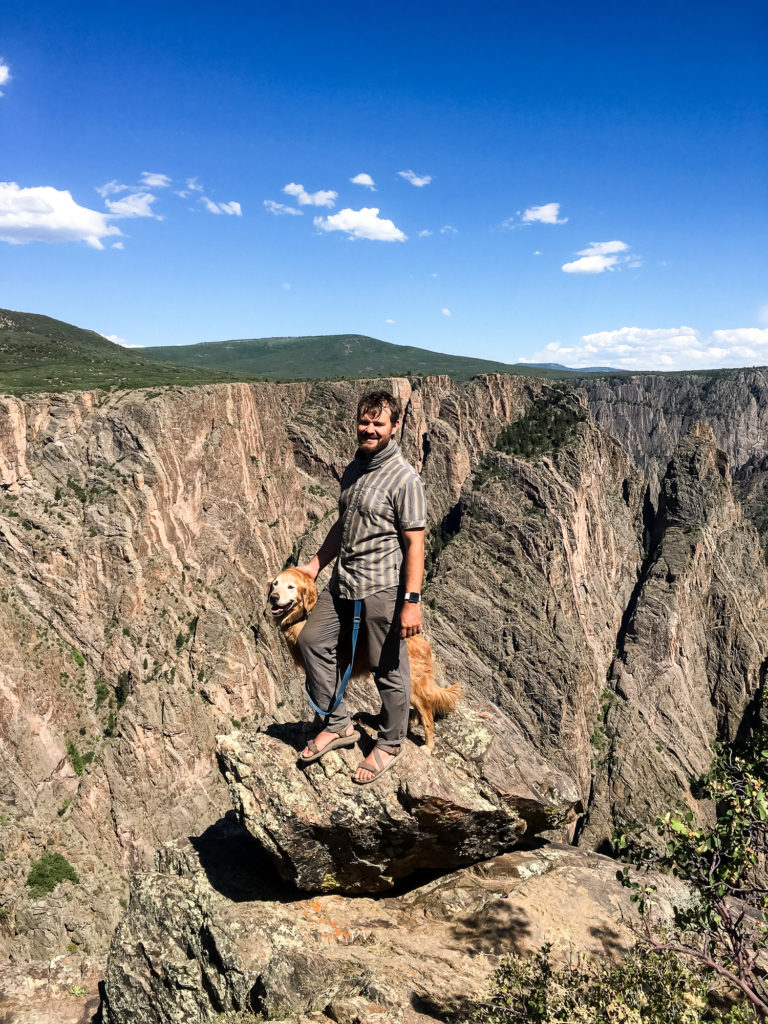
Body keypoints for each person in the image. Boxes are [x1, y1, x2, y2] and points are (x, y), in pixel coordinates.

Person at [295, 389, 426, 784]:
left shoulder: (404, 478)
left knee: (388, 668)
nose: (369, 429)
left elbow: (415, 543)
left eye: (378, 423)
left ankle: (389, 743)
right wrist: (316, 565)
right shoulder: (355, 467)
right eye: (364, 421)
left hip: (382, 587)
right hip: (343, 580)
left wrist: (411, 601)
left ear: (395, 427)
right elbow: (343, 524)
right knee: (312, 642)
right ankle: (338, 725)